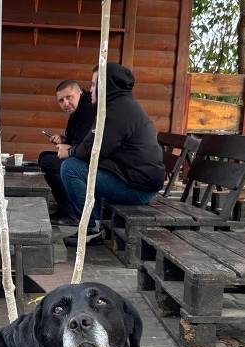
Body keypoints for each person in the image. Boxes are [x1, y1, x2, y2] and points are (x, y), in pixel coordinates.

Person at [57, 63, 165, 246]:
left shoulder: (117, 112)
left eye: (93, 85)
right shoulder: (117, 106)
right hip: (134, 180)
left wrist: (69, 151)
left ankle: (91, 228)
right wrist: (75, 150)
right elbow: (91, 145)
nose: (90, 90)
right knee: (82, 166)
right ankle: (96, 224)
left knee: (71, 168)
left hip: (138, 189)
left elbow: (92, 151)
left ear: (107, 85)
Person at [38, 80, 95, 226]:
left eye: (69, 97)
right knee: (46, 158)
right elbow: (77, 140)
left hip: (93, 164)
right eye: (61, 100)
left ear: (80, 93)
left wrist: (67, 147)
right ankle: (67, 210)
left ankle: (70, 213)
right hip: (80, 157)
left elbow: (86, 148)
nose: (65, 103)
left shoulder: (88, 110)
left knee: (48, 161)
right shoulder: (78, 111)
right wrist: (62, 140)